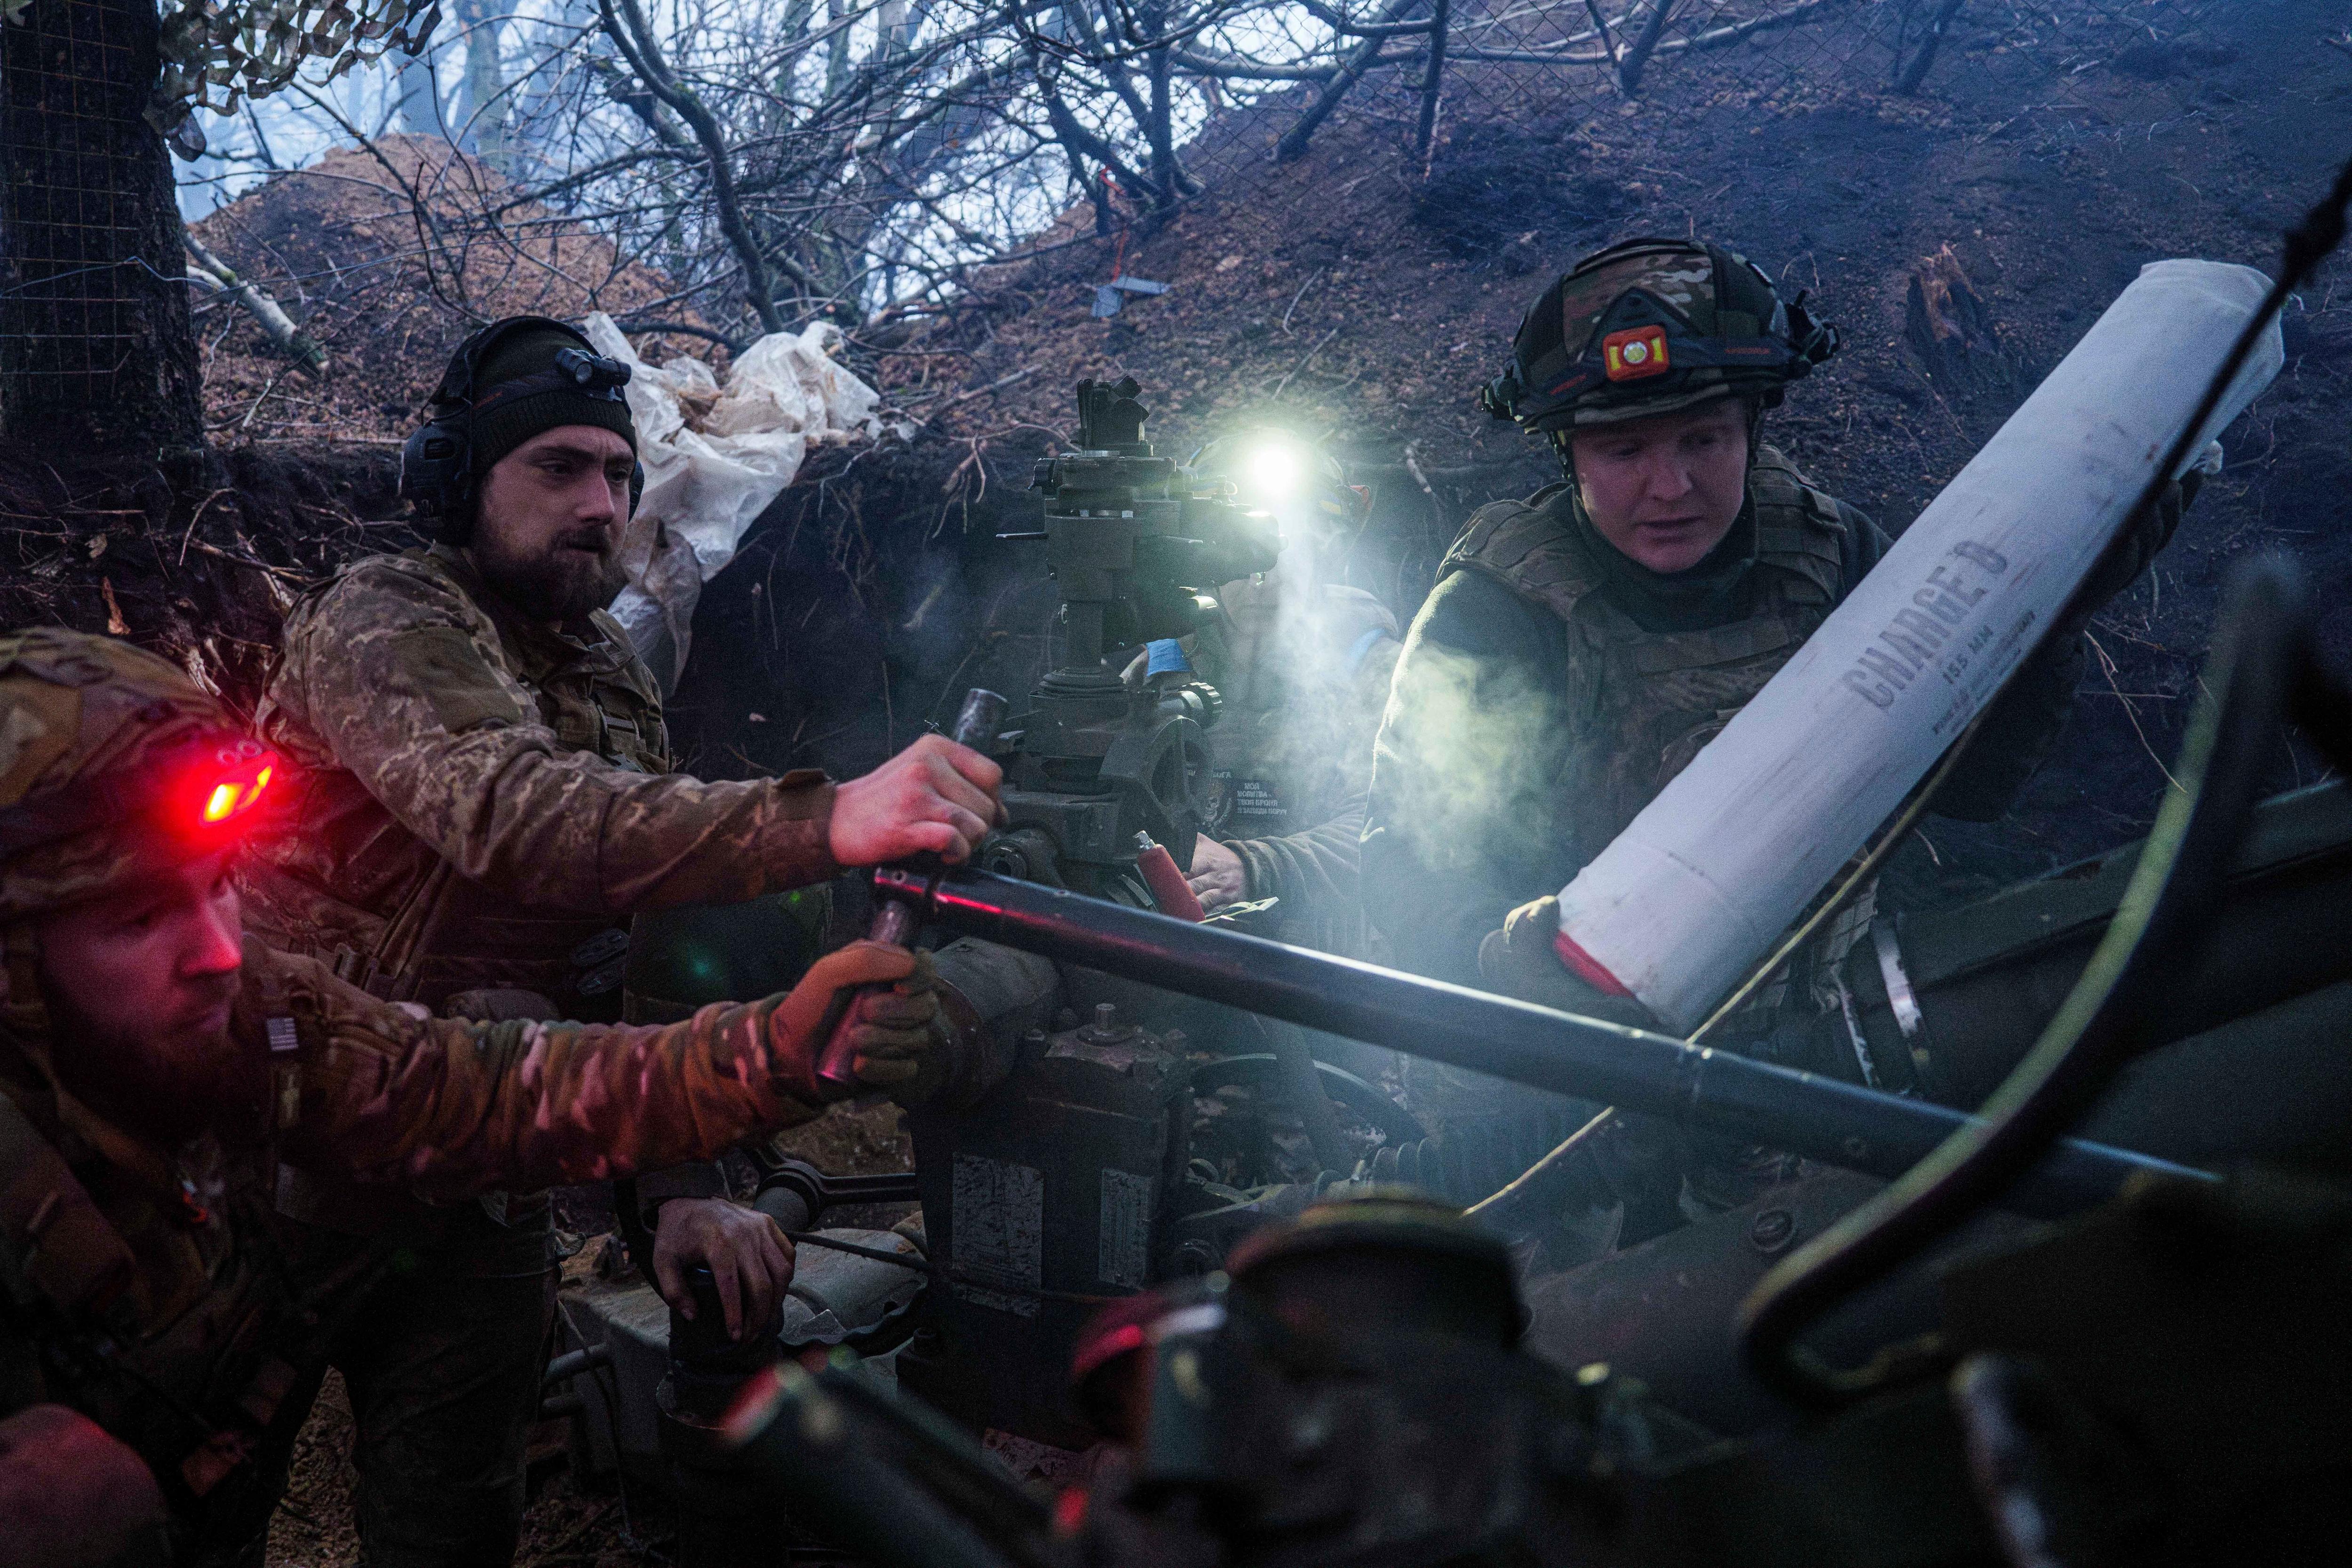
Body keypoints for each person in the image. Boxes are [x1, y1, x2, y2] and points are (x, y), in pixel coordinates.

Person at [231, 316, 1003, 1566]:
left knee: (455, 1524)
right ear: (455, 478)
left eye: (619, 472)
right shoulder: (390, 615)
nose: (601, 503)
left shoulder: (605, 669)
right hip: (289, 1172)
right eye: (558, 468)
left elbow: (630, 955)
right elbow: (524, 816)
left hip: (486, 1191)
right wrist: (829, 817)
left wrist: (678, 1195)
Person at [0, 629, 957, 1566]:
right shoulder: (386, 621)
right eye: (137, 915)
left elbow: (474, 1084)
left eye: (219, 886)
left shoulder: (246, 1012)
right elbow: (518, 807)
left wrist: (772, 1050)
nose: (216, 952)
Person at [1361, 239, 2184, 1192]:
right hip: (1577, 1107)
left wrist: (2049, 611)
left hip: (1828, 1059)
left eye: (1702, 438)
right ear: (1566, 449)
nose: (1668, 486)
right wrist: (1510, 961)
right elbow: (1405, 865)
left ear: (1753, 424)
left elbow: (1969, 788)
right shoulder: (1497, 613)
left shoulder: (1829, 555)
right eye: (1623, 449)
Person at [1162, 433, 1401, 960]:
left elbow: (1398, 830)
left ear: (1332, 548)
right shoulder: (1159, 670)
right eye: (1241, 546)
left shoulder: (1377, 671)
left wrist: (1252, 868)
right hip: (1177, 951)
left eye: (1285, 542)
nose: (1263, 572)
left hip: (1328, 966)